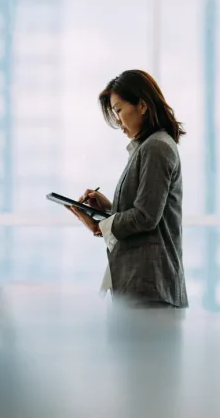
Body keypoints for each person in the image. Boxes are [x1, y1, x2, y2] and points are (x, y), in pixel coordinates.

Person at [67, 70, 188, 308]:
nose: (117, 121)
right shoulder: (149, 147)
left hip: (151, 288)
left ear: (142, 105)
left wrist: (101, 226)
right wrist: (110, 209)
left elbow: (145, 218)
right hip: (144, 286)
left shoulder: (155, 148)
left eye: (119, 110)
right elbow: (149, 211)